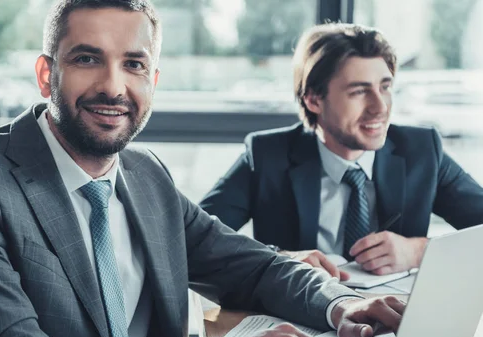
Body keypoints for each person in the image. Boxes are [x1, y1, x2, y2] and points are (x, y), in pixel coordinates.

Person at [0, 4, 406, 337]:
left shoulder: (147, 174)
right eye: (86, 58)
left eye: (134, 64)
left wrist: (341, 302)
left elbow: (253, 268)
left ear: (153, 81)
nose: (113, 86)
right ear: (46, 74)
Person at [200, 22, 483, 280]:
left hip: (395, 321)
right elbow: (194, 241)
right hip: (296, 319)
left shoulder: (421, 151)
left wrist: (420, 252)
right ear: (313, 99)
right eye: (359, 92)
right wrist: (279, 259)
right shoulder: (266, 156)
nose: (380, 107)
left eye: (384, 87)